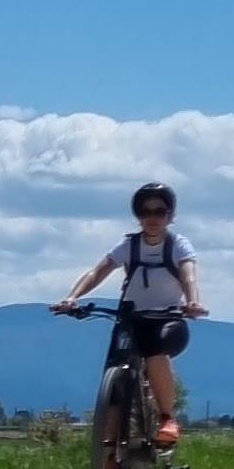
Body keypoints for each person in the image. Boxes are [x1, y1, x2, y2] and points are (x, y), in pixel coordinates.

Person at [54, 182, 205, 449]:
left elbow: (188, 274)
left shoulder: (178, 245)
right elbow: (98, 271)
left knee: (156, 353)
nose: (152, 218)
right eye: (145, 212)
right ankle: (109, 454)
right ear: (138, 216)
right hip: (131, 319)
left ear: (170, 215)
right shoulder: (129, 245)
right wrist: (72, 297)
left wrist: (193, 301)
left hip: (168, 319)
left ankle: (167, 418)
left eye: (160, 212)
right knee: (113, 383)